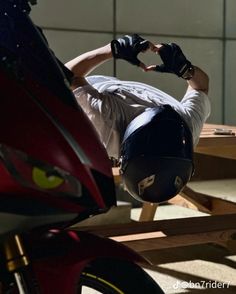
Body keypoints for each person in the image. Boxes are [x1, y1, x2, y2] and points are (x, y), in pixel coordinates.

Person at [65, 34, 210, 203]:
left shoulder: (106, 123)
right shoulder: (187, 126)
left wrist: (112, 49)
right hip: (114, 94)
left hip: (95, 89)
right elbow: (201, 87)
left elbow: (66, 77)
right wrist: (186, 69)